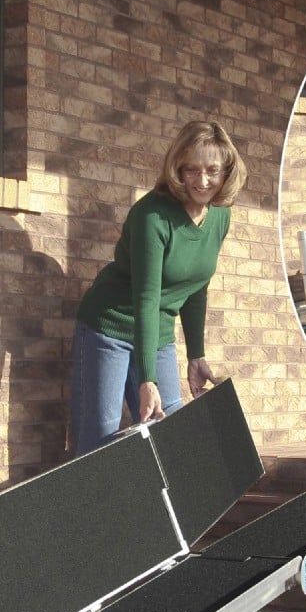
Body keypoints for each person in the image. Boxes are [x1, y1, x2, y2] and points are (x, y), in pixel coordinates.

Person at [71, 120, 247, 455]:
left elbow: (197, 286)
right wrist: (146, 380)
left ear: (227, 171)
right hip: (109, 328)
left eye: (212, 170)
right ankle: (86, 506)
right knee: (99, 441)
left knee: (170, 436)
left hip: (158, 333)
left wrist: (196, 355)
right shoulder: (152, 215)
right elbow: (147, 297)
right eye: (191, 169)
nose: (203, 180)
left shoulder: (220, 216)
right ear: (177, 169)